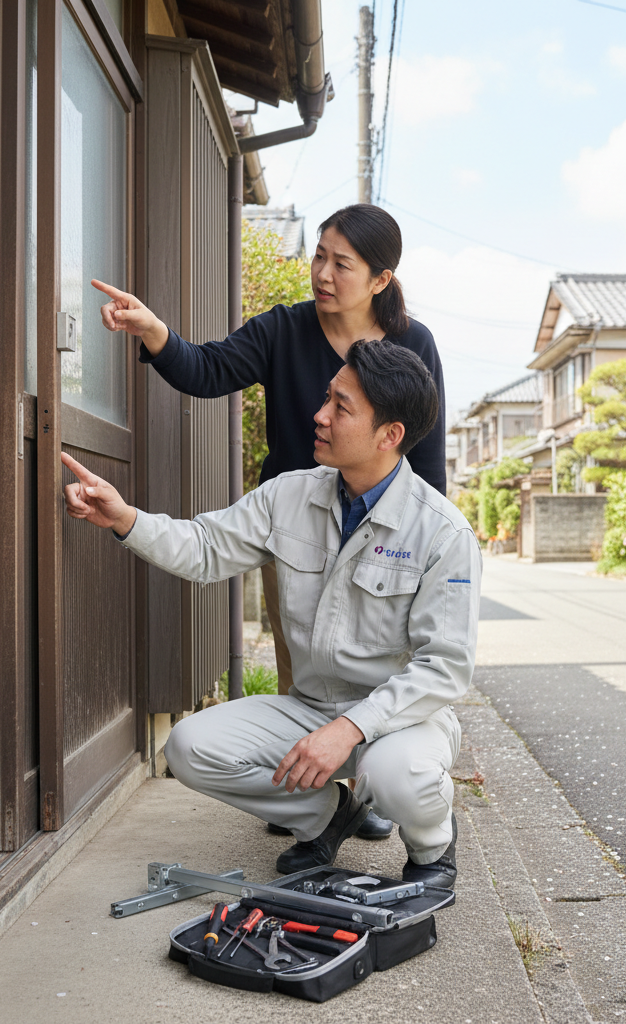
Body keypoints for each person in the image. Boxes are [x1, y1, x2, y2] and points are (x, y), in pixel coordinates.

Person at [61, 340, 479, 887]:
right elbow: (205, 548)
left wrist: (352, 729)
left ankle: (431, 853)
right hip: (309, 710)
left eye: (341, 407)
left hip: (401, 719)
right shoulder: (288, 495)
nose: (320, 415)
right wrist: (125, 519)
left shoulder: (442, 532)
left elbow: (445, 666)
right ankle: (329, 818)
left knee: (397, 774)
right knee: (189, 748)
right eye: (328, 398)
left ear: (389, 435)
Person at [92, 203, 446, 842]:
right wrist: (153, 332)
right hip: (297, 527)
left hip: (386, 528)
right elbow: (207, 369)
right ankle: (312, 802)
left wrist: (431, 547)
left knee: (388, 663)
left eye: (342, 263)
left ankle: (373, 786)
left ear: (380, 279)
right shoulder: (284, 329)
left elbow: (425, 450)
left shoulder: (412, 344)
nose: (323, 273)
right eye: (319, 255)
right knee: (303, 668)